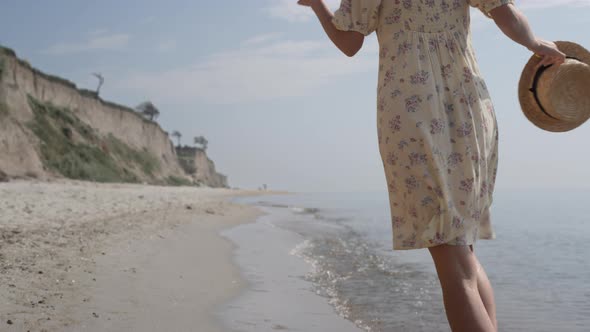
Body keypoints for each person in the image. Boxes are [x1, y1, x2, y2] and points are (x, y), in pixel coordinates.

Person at [296, 1, 566, 331]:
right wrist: (534, 42)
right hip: (469, 111)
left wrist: (317, 6)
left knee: (455, 267)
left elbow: (349, 43)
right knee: (462, 253)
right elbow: (505, 14)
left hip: (413, 116)